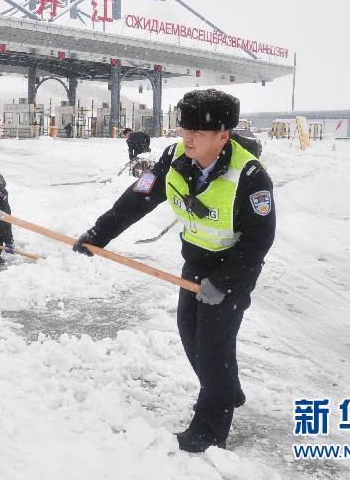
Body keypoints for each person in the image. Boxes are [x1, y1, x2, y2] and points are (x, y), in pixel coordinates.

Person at [72, 89, 276, 453]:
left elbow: (259, 241)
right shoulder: (175, 158)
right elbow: (138, 198)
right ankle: (226, 388)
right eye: (185, 129)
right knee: (190, 332)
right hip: (196, 261)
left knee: (213, 344)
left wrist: (225, 282)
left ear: (223, 136)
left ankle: (210, 429)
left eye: (198, 132)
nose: (188, 138)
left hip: (234, 268)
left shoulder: (250, 177)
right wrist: (99, 234)